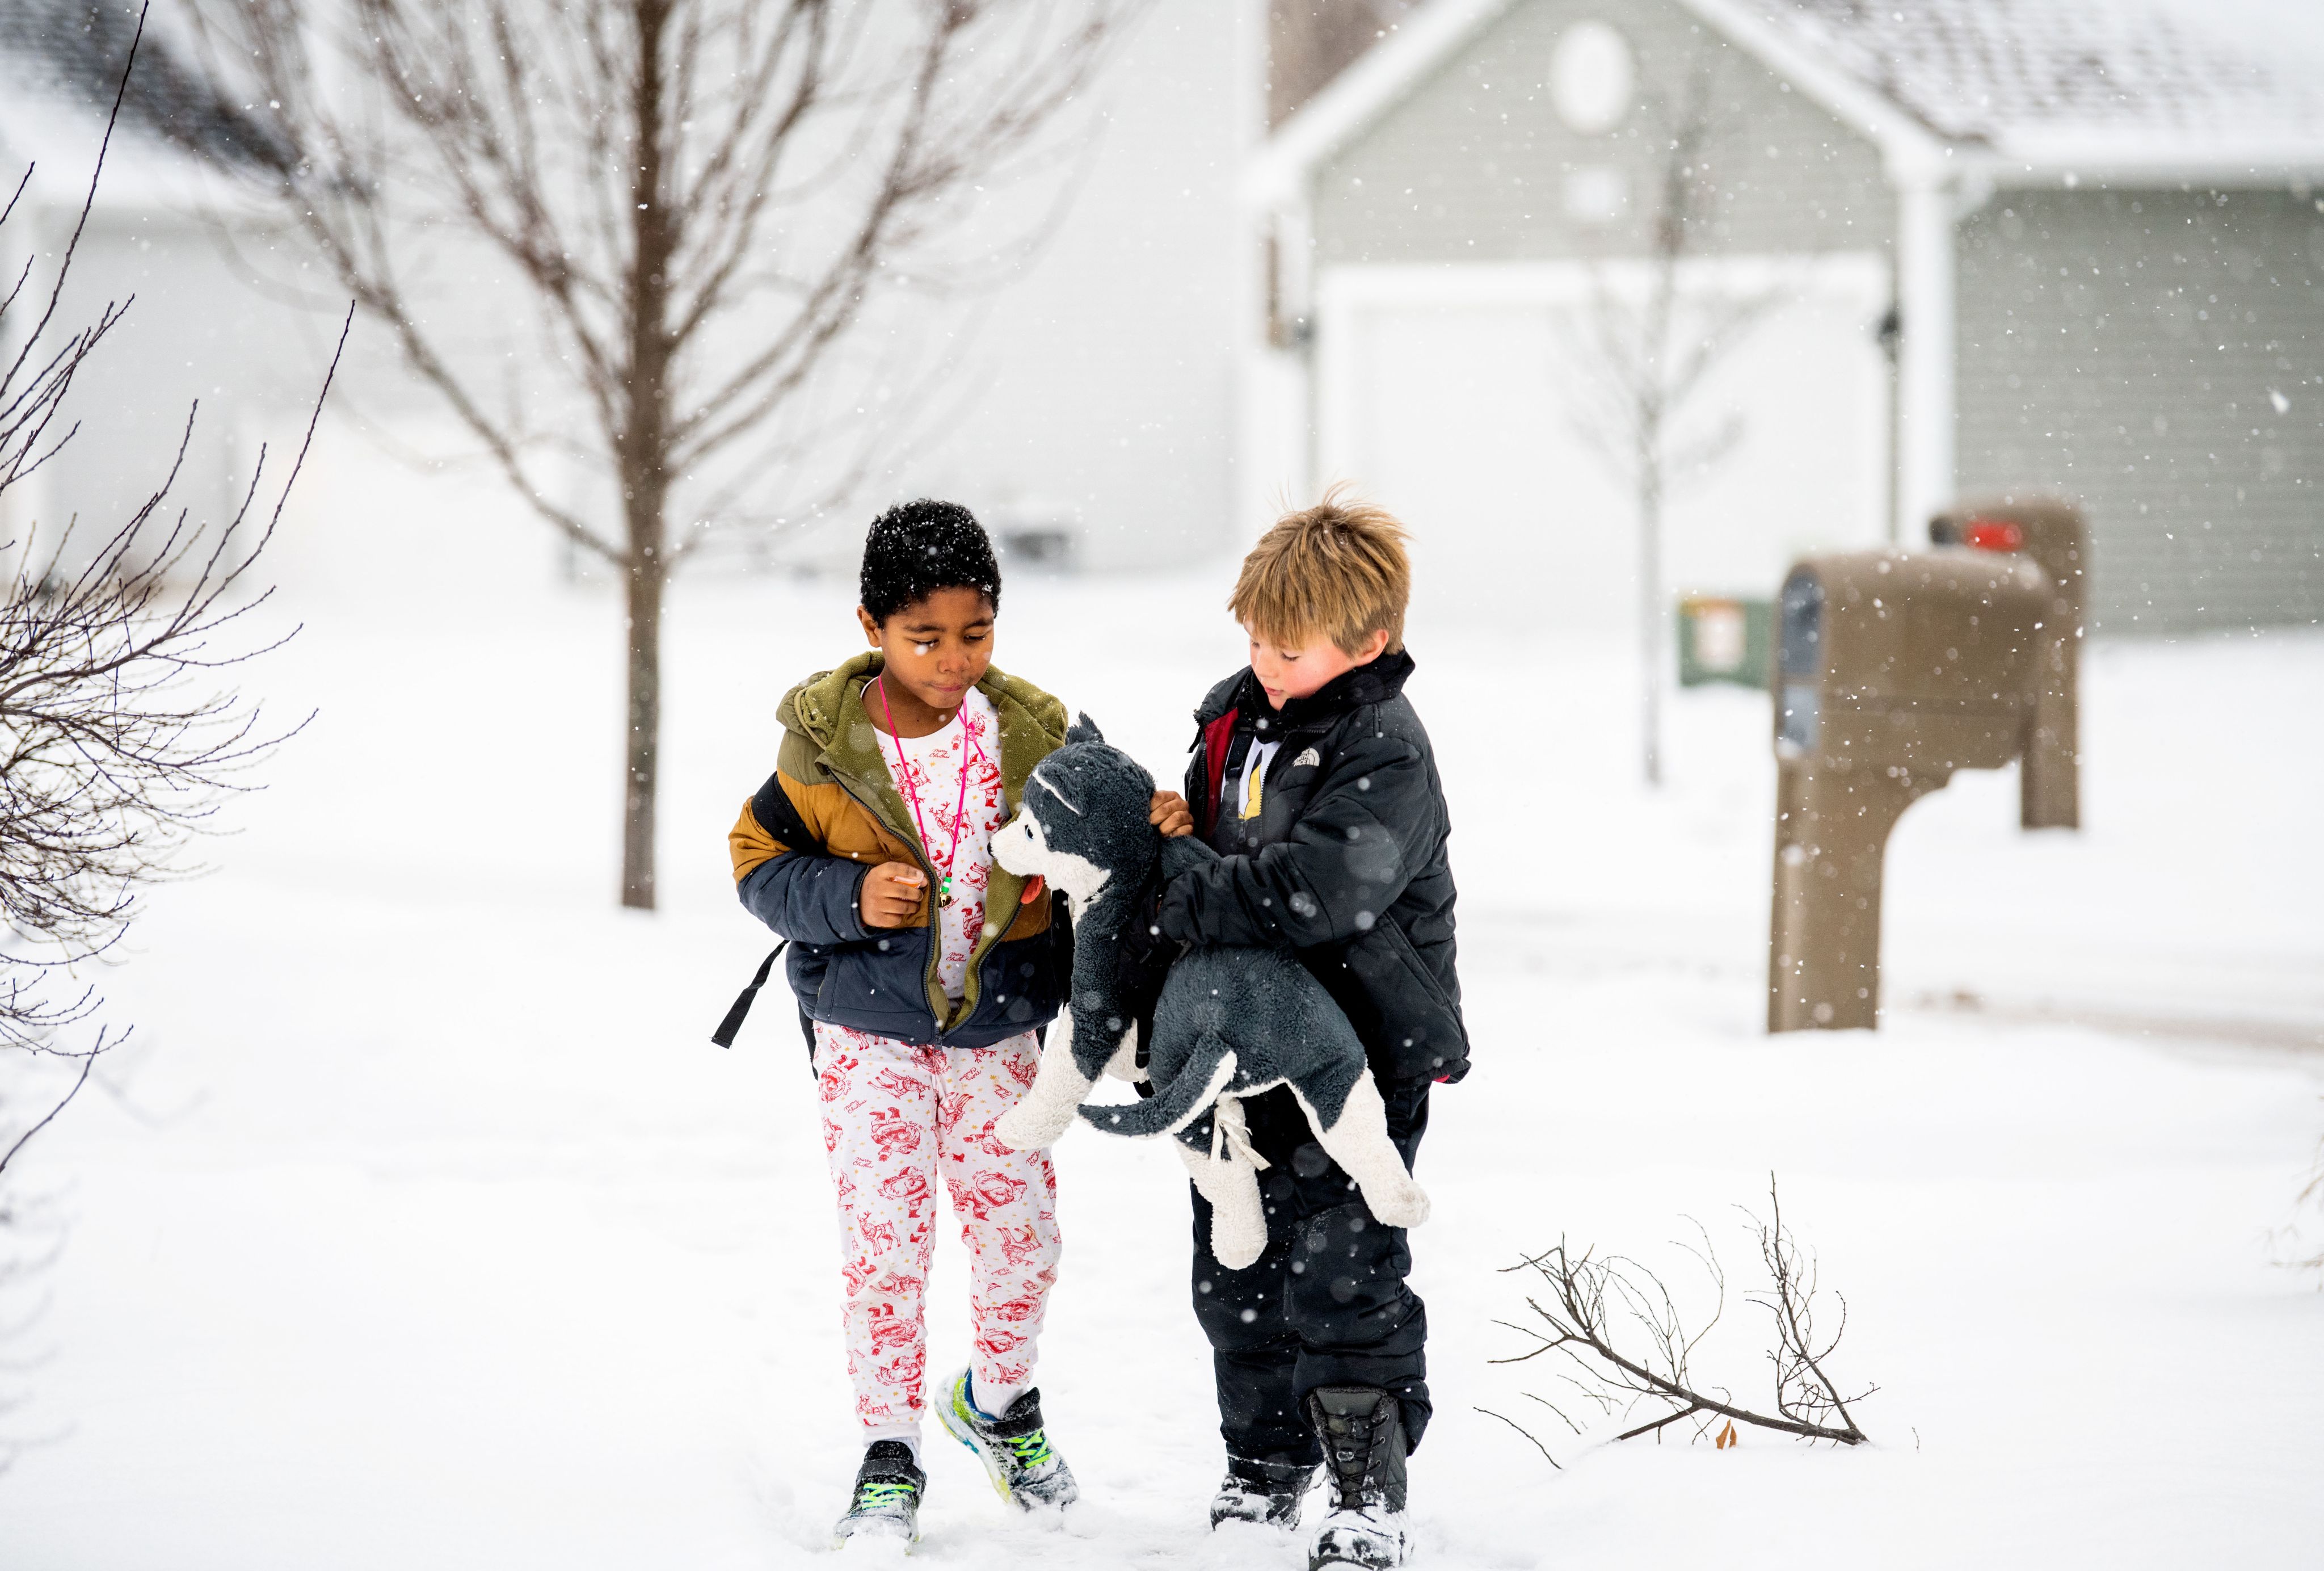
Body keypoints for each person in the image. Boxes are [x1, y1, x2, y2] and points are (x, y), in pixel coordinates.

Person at [726, 501, 1081, 1549]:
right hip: (866, 1036)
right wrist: (843, 897)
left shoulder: (1034, 734)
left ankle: (1000, 1404)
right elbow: (757, 864)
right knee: (888, 1248)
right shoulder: (824, 750)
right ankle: (888, 1448)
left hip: (999, 1035)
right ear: (871, 626)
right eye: (925, 638)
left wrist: (1148, 813)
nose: (953, 660)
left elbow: (1098, 830)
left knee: (1021, 1238)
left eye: (975, 634)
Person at [1144, 488, 1467, 1571]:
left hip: (1360, 1052)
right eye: (1252, 638)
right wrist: (1177, 823)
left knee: (1342, 1267)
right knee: (1235, 1263)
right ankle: (1264, 1465)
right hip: (1243, 1051)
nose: (1264, 662)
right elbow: (1223, 836)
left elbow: (1312, 893)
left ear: (1368, 641)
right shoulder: (1235, 712)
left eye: (1287, 649)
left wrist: (1179, 887)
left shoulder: (1387, 750)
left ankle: (1365, 1486)